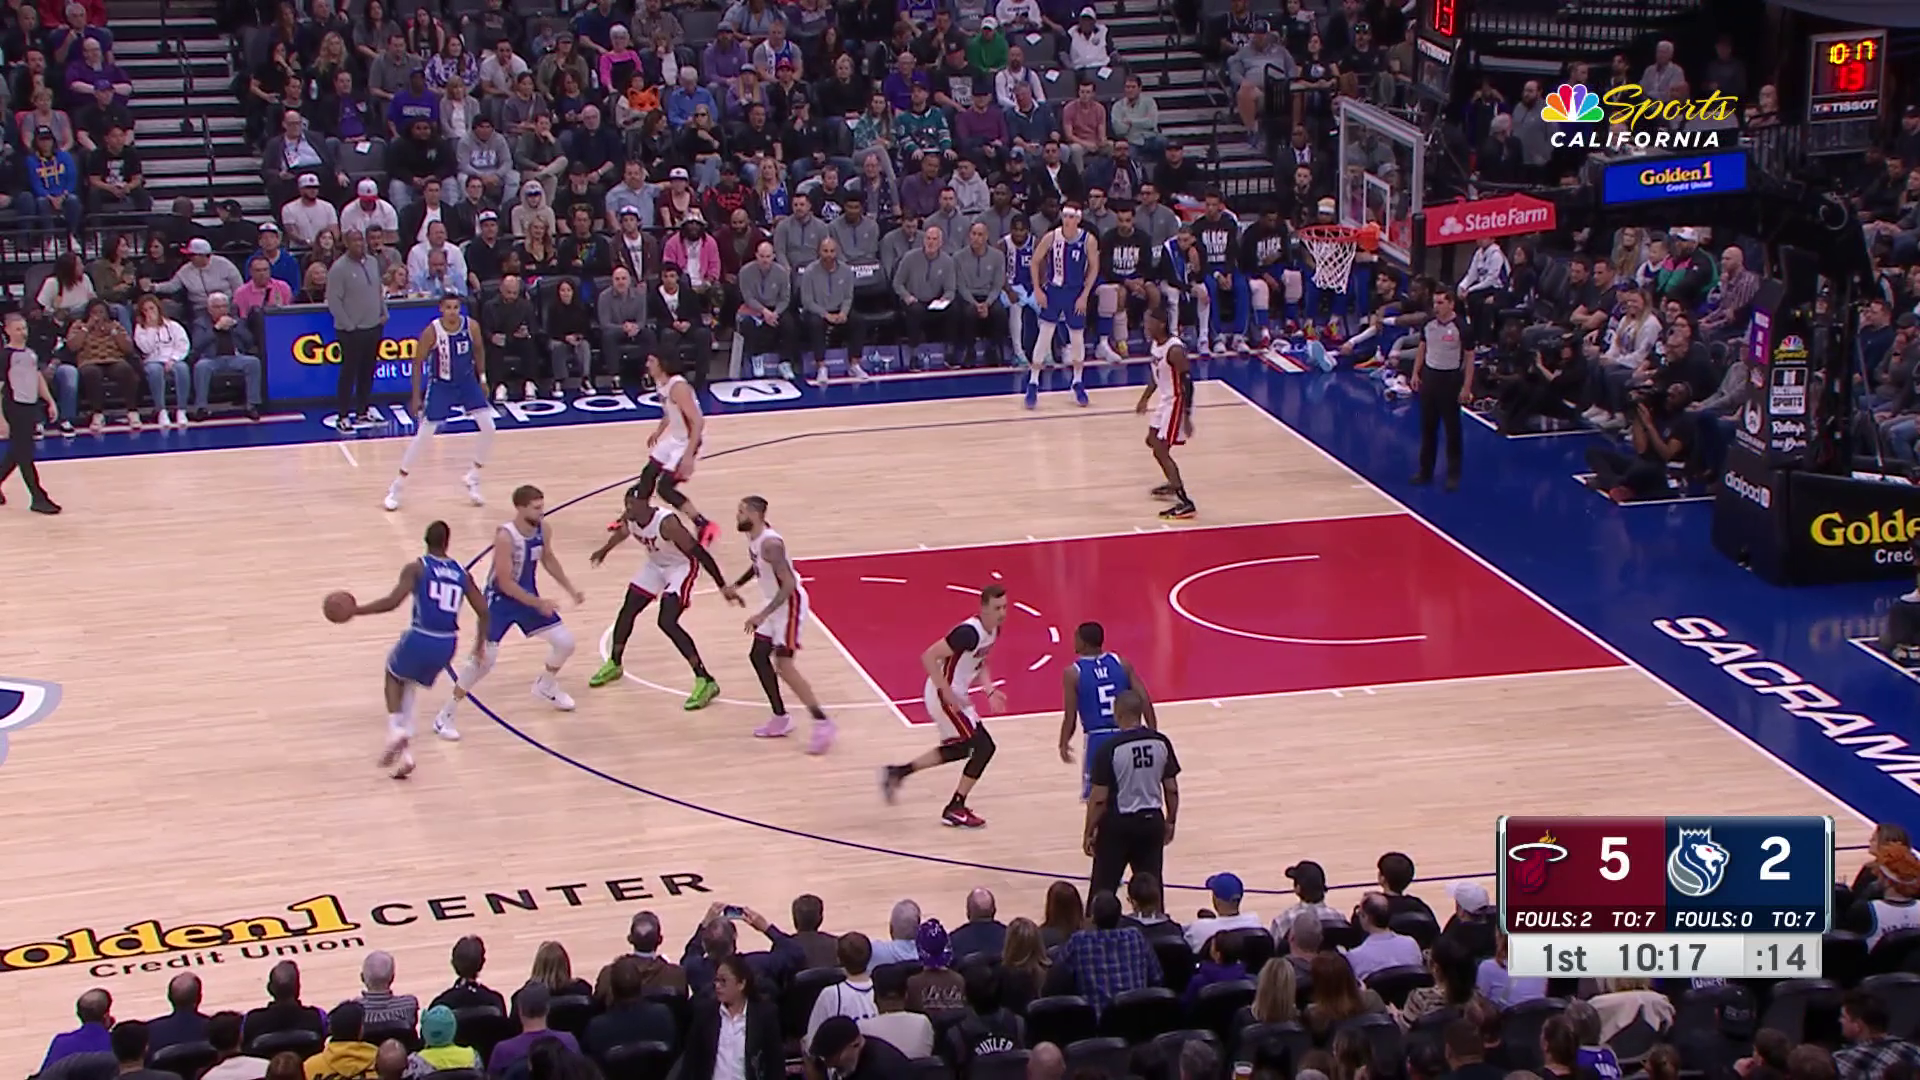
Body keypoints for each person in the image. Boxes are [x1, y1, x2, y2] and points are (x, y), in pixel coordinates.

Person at [337, 520, 487, 777]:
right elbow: (484, 611)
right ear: (447, 543)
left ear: (425, 540)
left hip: (421, 636)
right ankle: (405, 756)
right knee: (408, 686)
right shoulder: (462, 573)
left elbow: (392, 602)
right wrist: (479, 646)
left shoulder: (417, 568)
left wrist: (357, 611)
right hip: (447, 644)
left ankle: (395, 730)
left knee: (393, 674)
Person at [434, 484, 585, 733]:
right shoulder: (506, 537)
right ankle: (445, 715)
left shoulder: (544, 529)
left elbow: (548, 558)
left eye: (542, 507)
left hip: (527, 599)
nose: (541, 512)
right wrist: (539, 603)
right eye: (536, 508)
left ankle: (546, 685)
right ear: (520, 508)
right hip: (500, 603)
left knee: (565, 643)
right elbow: (505, 583)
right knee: (483, 661)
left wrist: (571, 589)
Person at [587, 482, 733, 708]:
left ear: (645, 503)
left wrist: (722, 585)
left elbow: (699, 553)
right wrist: (604, 551)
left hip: (681, 567)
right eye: (626, 503)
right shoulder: (631, 516)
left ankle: (705, 679)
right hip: (655, 565)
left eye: (632, 504)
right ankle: (615, 664)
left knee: (667, 621)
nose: (628, 508)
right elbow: (623, 532)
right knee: (628, 609)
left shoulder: (667, 524)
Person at [880, 586, 1009, 828]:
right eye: (997, 608)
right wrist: (946, 691)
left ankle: (898, 772)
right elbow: (928, 656)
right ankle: (955, 807)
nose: (1002, 613)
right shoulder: (967, 633)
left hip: (956, 694)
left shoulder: (993, 630)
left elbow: (981, 661)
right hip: (943, 693)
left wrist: (989, 690)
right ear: (983, 608)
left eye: (1004, 607)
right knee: (982, 747)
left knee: (965, 748)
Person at [725, 495, 835, 752]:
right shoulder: (755, 537)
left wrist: (762, 615)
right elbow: (757, 565)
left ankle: (822, 722)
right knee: (758, 656)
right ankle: (781, 718)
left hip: (789, 605)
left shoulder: (771, 544)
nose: (737, 516)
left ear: (755, 514)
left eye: (741, 511)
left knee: (784, 666)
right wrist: (736, 585)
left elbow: (789, 585)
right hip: (773, 602)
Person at [384, 295, 495, 511]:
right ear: (441, 309)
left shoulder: (471, 326)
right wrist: (415, 396)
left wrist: (482, 378)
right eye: (448, 308)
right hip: (441, 385)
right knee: (424, 436)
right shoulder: (432, 331)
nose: (453, 311)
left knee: (489, 428)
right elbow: (417, 363)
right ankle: (397, 487)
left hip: (466, 382)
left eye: (456, 307)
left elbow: (479, 350)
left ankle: (473, 476)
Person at [1085, 689, 1180, 894]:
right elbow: (1171, 789)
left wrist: (1089, 831)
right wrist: (1170, 821)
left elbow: (1099, 799)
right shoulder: (1161, 742)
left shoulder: (1109, 749)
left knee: (1103, 890)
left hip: (1117, 825)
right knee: (1151, 890)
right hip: (1151, 822)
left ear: (1117, 713)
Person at [1058, 621, 1155, 800]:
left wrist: (1063, 742)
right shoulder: (1121, 663)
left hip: (1098, 739)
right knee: (1129, 792)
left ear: (1084, 642)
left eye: (1075, 637)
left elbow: (1070, 717)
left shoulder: (1073, 673)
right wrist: (1152, 731)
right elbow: (1144, 699)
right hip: (1126, 734)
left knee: (1097, 797)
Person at [637, 352, 719, 546]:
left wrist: (688, 456)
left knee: (665, 488)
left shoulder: (678, 387)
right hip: (675, 438)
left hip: (689, 440)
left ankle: (703, 524)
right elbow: (669, 412)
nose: (647, 364)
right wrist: (658, 431)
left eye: (651, 361)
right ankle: (637, 516)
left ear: (663, 363)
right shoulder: (661, 383)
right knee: (648, 474)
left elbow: (698, 422)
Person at [1026, 204, 1099, 409]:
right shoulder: (1052, 237)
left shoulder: (1088, 240)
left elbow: (1094, 268)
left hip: (1075, 292)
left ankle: (1077, 381)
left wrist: (1085, 295)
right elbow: (1035, 261)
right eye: (1065, 216)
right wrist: (1037, 289)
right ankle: (1033, 382)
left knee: (1077, 337)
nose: (1067, 220)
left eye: (1071, 217)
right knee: (1045, 334)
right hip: (1054, 291)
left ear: (1078, 219)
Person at [326, 227, 390, 432]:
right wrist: (348, 325)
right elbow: (333, 301)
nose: (359, 244)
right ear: (346, 243)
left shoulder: (372, 262)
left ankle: (363, 411)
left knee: (367, 371)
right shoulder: (339, 268)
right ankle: (343, 415)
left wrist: (384, 311)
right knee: (349, 372)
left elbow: (377, 290)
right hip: (351, 331)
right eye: (354, 240)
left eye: (361, 240)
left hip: (373, 326)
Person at [1138, 308, 1196, 518]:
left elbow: (1188, 383)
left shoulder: (1175, 350)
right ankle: (1173, 482)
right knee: (1152, 441)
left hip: (1177, 401)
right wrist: (1145, 398)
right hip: (1165, 400)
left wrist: (1187, 416)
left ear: (1161, 324)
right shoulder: (1156, 345)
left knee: (1161, 450)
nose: (1146, 326)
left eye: (1149, 322)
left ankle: (1185, 501)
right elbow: (1156, 376)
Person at [1, 312, 61, 514]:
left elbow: (37, 378)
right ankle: (38, 497)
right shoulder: (5, 356)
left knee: (17, 451)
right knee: (24, 453)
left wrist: (50, 401)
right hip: (13, 406)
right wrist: (1, 418)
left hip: (29, 405)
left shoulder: (30, 353)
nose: (22, 332)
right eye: (18, 329)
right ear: (7, 331)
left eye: (24, 328)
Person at [1412, 287, 1470, 490]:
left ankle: (1453, 475)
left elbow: (1470, 358)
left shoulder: (1461, 327)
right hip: (1430, 377)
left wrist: (1466, 387)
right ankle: (1425, 471)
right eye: (1434, 303)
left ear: (1451, 304)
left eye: (1440, 303)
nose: (1436, 307)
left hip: (1450, 379)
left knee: (1452, 430)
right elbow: (1422, 348)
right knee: (1428, 428)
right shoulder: (1428, 323)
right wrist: (1415, 373)